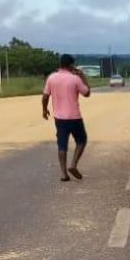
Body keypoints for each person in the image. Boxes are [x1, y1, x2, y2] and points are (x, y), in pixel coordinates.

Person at [42, 54, 91, 182]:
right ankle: (73, 164)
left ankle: (64, 174)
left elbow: (45, 96)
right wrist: (82, 76)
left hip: (59, 118)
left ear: (60, 64)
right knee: (81, 140)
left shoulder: (51, 78)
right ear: (70, 65)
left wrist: (44, 109)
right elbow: (87, 93)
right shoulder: (75, 79)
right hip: (74, 117)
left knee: (62, 145)